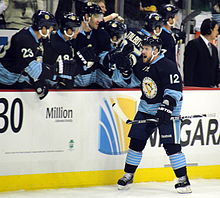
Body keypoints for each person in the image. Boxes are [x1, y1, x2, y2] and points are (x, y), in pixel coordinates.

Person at [117, 36, 192, 194]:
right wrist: (124, 71)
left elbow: (174, 90)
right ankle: (128, 174)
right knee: (136, 143)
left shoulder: (168, 65)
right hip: (145, 109)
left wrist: (165, 109)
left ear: (156, 51)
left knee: (171, 146)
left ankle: (183, 180)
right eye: (142, 48)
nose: (143, 51)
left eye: (146, 49)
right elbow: (130, 82)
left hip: (168, 111)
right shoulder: (141, 65)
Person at [0, 10, 60, 99]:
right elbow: (34, 70)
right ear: (42, 27)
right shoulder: (24, 39)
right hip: (3, 79)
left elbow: (32, 63)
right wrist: (58, 70)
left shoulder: (37, 37)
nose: (52, 29)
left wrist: (38, 82)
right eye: (50, 27)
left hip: (13, 78)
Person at [73, 2, 112, 88]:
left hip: (96, 82)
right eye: (96, 16)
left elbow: (106, 56)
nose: (100, 20)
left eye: (101, 16)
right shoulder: (72, 34)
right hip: (76, 84)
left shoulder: (102, 34)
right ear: (87, 17)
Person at [43, 12, 83, 89]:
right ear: (66, 29)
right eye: (75, 29)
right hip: (52, 83)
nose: (78, 32)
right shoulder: (54, 42)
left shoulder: (69, 41)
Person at [183, 18, 220, 88]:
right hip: (196, 88)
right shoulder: (193, 45)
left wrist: (218, 82)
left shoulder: (214, 49)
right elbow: (188, 68)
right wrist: (189, 87)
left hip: (211, 89)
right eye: (216, 30)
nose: (217, 33)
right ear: (210, 30)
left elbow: (216, 68)